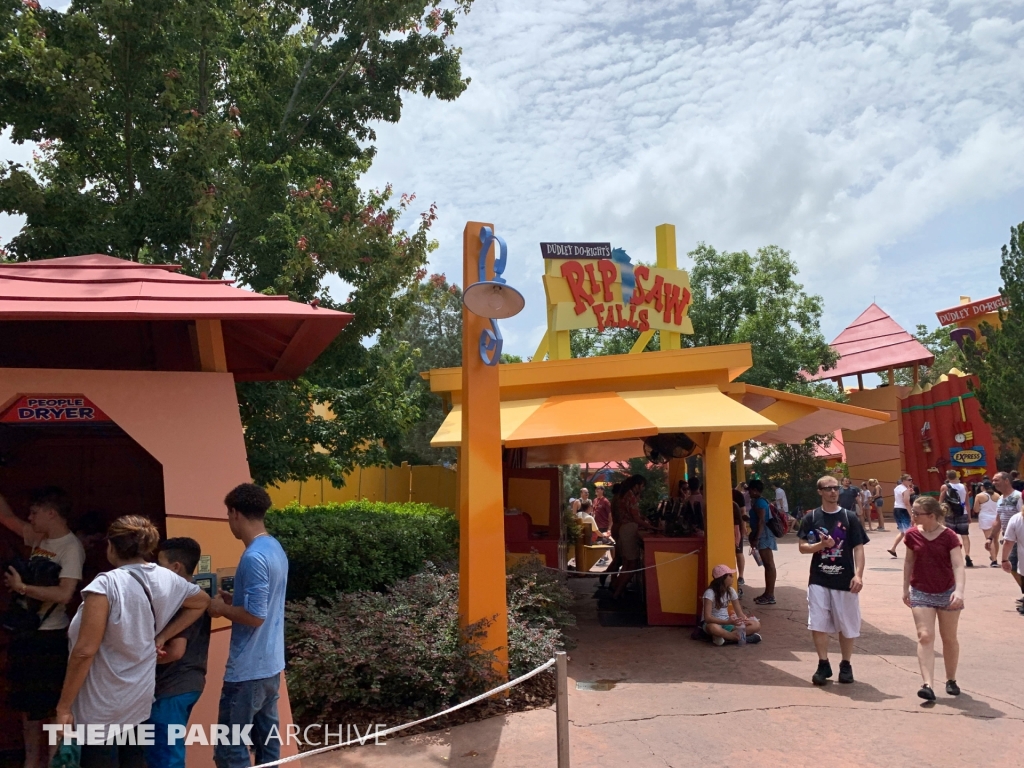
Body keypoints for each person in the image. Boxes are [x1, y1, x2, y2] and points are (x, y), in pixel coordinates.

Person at [55, 516, 210, 768]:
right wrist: (162, 636)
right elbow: (201, 602)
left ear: (111, 546)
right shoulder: (167, 578)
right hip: (138, 700)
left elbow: (84, 651)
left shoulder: (106, 584)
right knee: (135, 760)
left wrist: (63, 707)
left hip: (99, 705)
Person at [0, 488, 85, 768]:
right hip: (27, 632)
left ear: (52, 513)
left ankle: (52, 763)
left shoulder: (70, 547)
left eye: (35, 512)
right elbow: (8, 517)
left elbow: (64, 594)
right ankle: (30, 761)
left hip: (50, 636)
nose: (30, 517)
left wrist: (22, 587)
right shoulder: (39, 537)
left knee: (50, 709)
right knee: (27, 708)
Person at [210, 484, 289, 768]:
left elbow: (256, 616)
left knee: (230, 751)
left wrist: (221, 609)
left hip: (247, 672)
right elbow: (264, 603)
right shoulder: (274, 547)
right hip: (269, 667)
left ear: (234, 513)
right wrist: (237, 600)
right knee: (268, 749)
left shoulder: (254, 556)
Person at [146, 538, 213, 768]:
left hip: (172, 687)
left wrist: (135, 662)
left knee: (166, 757)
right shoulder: (196, 596)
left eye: (160, 563)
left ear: (175, 567)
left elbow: (175, 651)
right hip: (188, 682)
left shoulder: (181, 602)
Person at [797, 476, 869, 686]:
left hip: (845, 579)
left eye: (835, 488)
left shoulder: (849, 517)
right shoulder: (812, 517)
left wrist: (859, 575)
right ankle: (823, 663)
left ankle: (846, 664)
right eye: (828, 489)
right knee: (817, 622)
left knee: (847, 623)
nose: (833, 492)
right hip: (819, 578)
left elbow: (858, 547)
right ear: (819, 491)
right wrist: (820, 546)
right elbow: (802, 547)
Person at [902, 495, 966, 700]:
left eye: (916, 513)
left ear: (931, 515)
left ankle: (951, 679)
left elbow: (958, 565)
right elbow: (908, 563)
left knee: (949, 638)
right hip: (921, 590)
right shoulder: (912, 535)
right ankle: (927, 684)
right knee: (925, 636)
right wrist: (905, 589)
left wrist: (959, 591)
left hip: (947, 592)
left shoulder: (950, 536)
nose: (913, 516)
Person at [702, 564, 762, 645]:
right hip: (714, 623)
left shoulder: (731, 591)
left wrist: (744, 620)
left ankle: (724, 639)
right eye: (730, 576)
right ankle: (740, 638)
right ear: (722, 578)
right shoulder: (710, 593)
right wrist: (727, 622)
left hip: (728, 624)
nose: (732, 577)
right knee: (713, 628)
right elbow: (707, 618)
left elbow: (739, 613)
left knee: (756, 625)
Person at [993, 472, 1024, 609]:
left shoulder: (1017, 497)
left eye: (997, 480)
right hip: (1009, 536)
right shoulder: (1000, 499)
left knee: (1015, 566)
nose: (994, 483)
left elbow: (1021, 515)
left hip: (1018, 537)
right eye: (993, 480)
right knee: (1015, 568)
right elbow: (998, 521)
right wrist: (990, 537)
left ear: (1007, 481)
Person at [747, 479, 777, 606]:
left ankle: (770, 595)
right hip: (764, 534)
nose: (748, 492)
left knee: (769, 565)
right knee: (767, 565)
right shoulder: (761, 501)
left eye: (749, 490)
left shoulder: (759, 502)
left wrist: (757, 538)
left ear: (754, 490)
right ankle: (767, 593)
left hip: (763, 535)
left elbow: (761, 521)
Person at [939, 470, 972, 567]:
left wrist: (939, 514)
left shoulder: (945, 487)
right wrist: (969, 515)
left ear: (947, 476)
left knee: (950, 535)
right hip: (962, 512)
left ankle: (952, 557)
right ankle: (967, 555)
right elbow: (967, 503)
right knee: (965, 535)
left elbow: (940, 502)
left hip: (949, 513)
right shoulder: (963, 487)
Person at [974, 481, 1000, 567]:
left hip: (985, 518)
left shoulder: (979, 496)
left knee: (989, 539)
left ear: (983, 487)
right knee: (995, 539)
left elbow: (976, 509)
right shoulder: (997, 495)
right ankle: (994, 557)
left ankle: (994, 560)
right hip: (996, 518)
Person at [887, 474, 913, 557]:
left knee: (903, 531)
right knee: (908, 532)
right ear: (904, 481)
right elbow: (906, 503)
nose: (911, 481)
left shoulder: (897, 488)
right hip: (903, 510)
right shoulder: (905, 490)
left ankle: (893, 548)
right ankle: (911, 552)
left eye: (911, 479)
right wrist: (911, 515)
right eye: (909, 479)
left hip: (896, 509)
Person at [732, 490, 747, 590]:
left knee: (739, 552)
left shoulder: (737, 494)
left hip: (736, 527)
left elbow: (743, 512)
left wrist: (743, 527)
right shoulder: (717, 492)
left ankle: (741, 576)